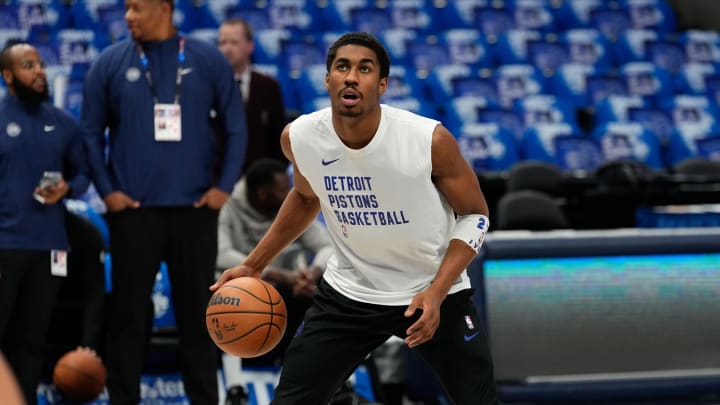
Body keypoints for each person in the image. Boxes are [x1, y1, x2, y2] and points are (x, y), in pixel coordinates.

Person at [212, 32, 501, 405]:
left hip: (431, 290)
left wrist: (437, 291)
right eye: (342, 67)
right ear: (327, 79)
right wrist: (253, 265)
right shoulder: (300, 137)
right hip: (351, 292)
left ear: (381, 85)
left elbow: (476, 215)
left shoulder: (428, 140)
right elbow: (304, 197)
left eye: (364, 69)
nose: (351, 76)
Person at [80, 0, 248, 403]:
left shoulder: (207, 59)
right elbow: (89, 133)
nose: (128, 16)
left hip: (195, 213)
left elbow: (236, 129)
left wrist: (223, 187)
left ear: (164, 8)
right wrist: (108, 191)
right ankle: (124, 400)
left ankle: (205, 399)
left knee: (198, 319)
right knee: (128, 320)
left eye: (136, 8)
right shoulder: (109, 62)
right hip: (134, 214)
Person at [0, 42, 90, 405]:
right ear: (8, 76)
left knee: (32, 342)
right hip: (5, 245)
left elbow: (83, 174)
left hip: (51, 246)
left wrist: (68, 188)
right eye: (27, 65)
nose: (39, 71)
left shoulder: (63, 122)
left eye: (39, 63)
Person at [217, 158, 333, 366]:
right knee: (226, 301)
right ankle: (235, 388)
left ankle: (337, 382)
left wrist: (312, 273)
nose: (289, 194)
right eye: (282, 190)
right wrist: (272, 272)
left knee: (323, 295)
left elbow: (328, 246)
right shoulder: (228, 204)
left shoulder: (292, 207)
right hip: (237, 288)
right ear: (263, 194)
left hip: (283, 287)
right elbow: (221, 254)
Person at [218, 19, 287, 174]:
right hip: (219, 181)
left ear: (250, 46)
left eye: (234, 43)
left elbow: (277, 139)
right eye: (222, 43)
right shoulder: (210, 86)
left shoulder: (269, 86)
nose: (227, 49)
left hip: (259, 181)